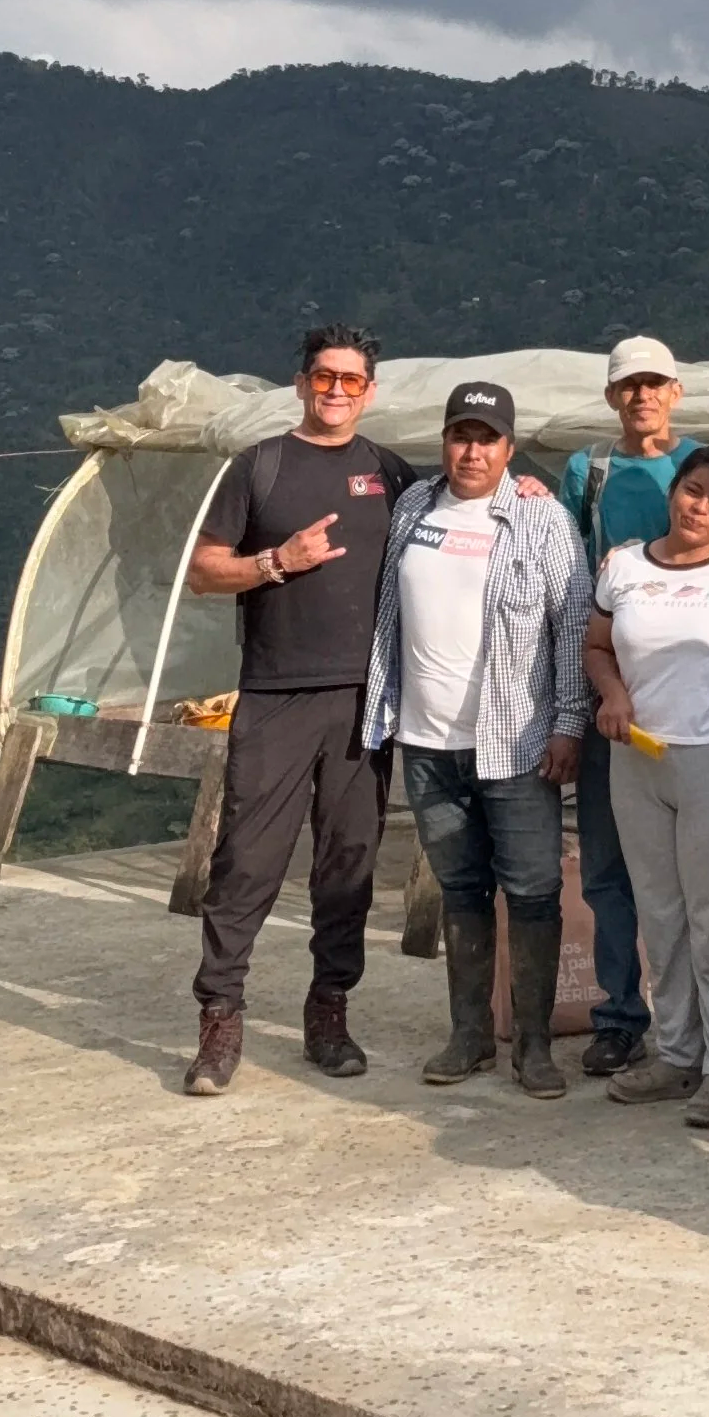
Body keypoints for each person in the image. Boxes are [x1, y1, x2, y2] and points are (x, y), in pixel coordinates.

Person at [181, 324, 418, 1096]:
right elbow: (204, 571)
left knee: (347, 863)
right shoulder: (261, 466)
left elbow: (457, 513)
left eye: (352, 380)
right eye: (325, 377)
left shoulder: (390, 471)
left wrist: (527, 485)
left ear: (370, 391)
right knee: (247, 861)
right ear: (301, 383)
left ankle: (329, 1010)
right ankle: (221, 1018)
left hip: (364, 698)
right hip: (276, 696)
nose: (338, 391)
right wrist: (278, 562)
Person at [363, 381, 592, 1099]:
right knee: (461, 887)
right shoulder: (414, 507)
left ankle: (531, 1044)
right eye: (460, 435)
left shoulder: (540, 516)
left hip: (516, 741)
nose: (471, 450)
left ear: (509, 447)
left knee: (532, 891)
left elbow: (574, 623)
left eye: (486, 438)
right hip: (427, 740)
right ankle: (468, 1035)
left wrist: (567, 724)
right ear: (444, 441)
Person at [582, 447, 709, 1127]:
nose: (701, 509)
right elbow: (597, 648)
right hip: (637, 759)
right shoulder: (623, 566)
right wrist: (612, 695)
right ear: (673, 490)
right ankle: (676, 1053)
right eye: (693, 492)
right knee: (659, 915)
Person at [557, 337, 702, 1079]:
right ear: (613, 397)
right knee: (610, 867)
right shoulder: (588, 471)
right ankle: (620, 1015)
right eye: (628, 386)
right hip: (610, 692)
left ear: (675, 391)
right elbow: (567, 570)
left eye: (654, 384)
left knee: (695, 873)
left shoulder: (706, 466)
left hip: (695, 703)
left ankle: (701, 1019)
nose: (642, 396)